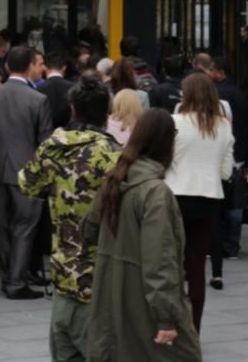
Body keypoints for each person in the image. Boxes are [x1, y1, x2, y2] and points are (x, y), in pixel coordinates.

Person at [83, 109, 202, 361]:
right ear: (166, 142)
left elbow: (89, 229)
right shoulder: (155, 192)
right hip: (143, 303)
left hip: (110, 297)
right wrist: (166, 318)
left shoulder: (116, 179)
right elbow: (159, 260)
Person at [18, 74, 119, 362]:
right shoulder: (112, 153)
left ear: (72, 108)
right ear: (107, 113)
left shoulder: (54, 145)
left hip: (63, 268)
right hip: (100, 273)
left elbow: (27, 183)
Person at [0, 46, 52, 299]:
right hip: (27, 170)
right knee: (24, 225)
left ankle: (6, 275)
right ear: (30, 66)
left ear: (7, 67)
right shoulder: (38, 99)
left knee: (1, 225)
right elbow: (45, 142)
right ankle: (16, 280)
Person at [167, 73, 233, 329]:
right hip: (209, 197)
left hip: (176, 195)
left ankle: (168, 324)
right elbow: (226, 171)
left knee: (171, 263)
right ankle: (194, 328)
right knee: (196, 267)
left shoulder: (174, 122)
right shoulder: (224, 125)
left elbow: (165, 161)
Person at [207, 56, 248, 261]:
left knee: (216, 201)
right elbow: (247, 128)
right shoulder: (241, 94)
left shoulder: (215, 94)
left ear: (221, 73)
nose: (208, 73)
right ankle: (232, 246)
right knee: (235, 203)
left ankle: (215, 243)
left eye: (211, 70)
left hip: (219, 153)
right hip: (238, 154)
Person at [37, 51, 75, 130]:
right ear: (64, 67)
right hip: (68, 134)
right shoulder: (73, 88)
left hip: (45, 135)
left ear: (45, 67)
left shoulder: (38, 89)